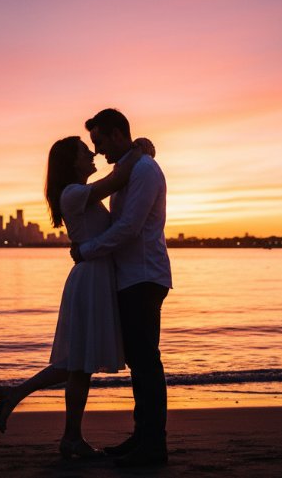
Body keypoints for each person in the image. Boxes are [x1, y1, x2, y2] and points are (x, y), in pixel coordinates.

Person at [0, 135, 152, 458]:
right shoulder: (73, 193)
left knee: (78, 364)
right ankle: (69, 436)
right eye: (84, 151)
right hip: (90, 279)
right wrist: (142, 151)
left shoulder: (78, 195)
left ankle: (31, 406)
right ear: (72, 163)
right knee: (79, 364)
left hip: (95, 277)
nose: (92, 153)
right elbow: (117, 178)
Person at [71, 108, 172, 467]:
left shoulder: (144, 170)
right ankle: (142, 436)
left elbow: (129, 227)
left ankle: (153, 445)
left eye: (99, 141)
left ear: (117, 134)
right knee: (140, 361)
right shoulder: (128, 169)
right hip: (130, 277)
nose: (96, 150)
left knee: (146, 361)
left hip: (144, 276)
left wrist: (86, 251)